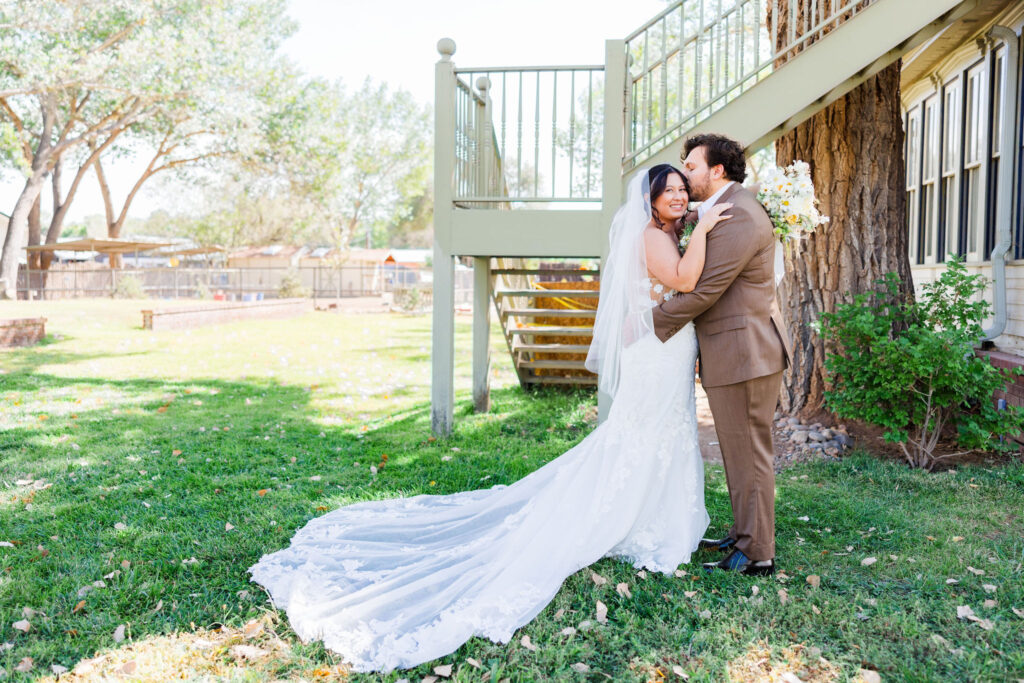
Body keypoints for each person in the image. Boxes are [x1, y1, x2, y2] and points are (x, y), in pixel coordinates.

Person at [248, 164, 730, 673]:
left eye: (683, 189)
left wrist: (697, 222)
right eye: (668, 191)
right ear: (650, 201)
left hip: (666, 351)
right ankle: (636, 522)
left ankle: (653, 519)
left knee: (661, 435)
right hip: (655, 356)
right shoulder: (654, 239)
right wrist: (704, 227)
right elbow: (682, 279)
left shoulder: (666, 232)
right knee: (644, 437)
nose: (678, 196)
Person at [652, 134, 792, 577]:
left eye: (691, 167)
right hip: (736, 348)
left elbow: (707, 288)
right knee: (738, 450)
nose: (684, 175)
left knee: (749, 452)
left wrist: (647, 325)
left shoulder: (739, 214)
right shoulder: (724, 209)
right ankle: (745, 532)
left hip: (745, 350)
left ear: (716, 170)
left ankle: (757, 554)